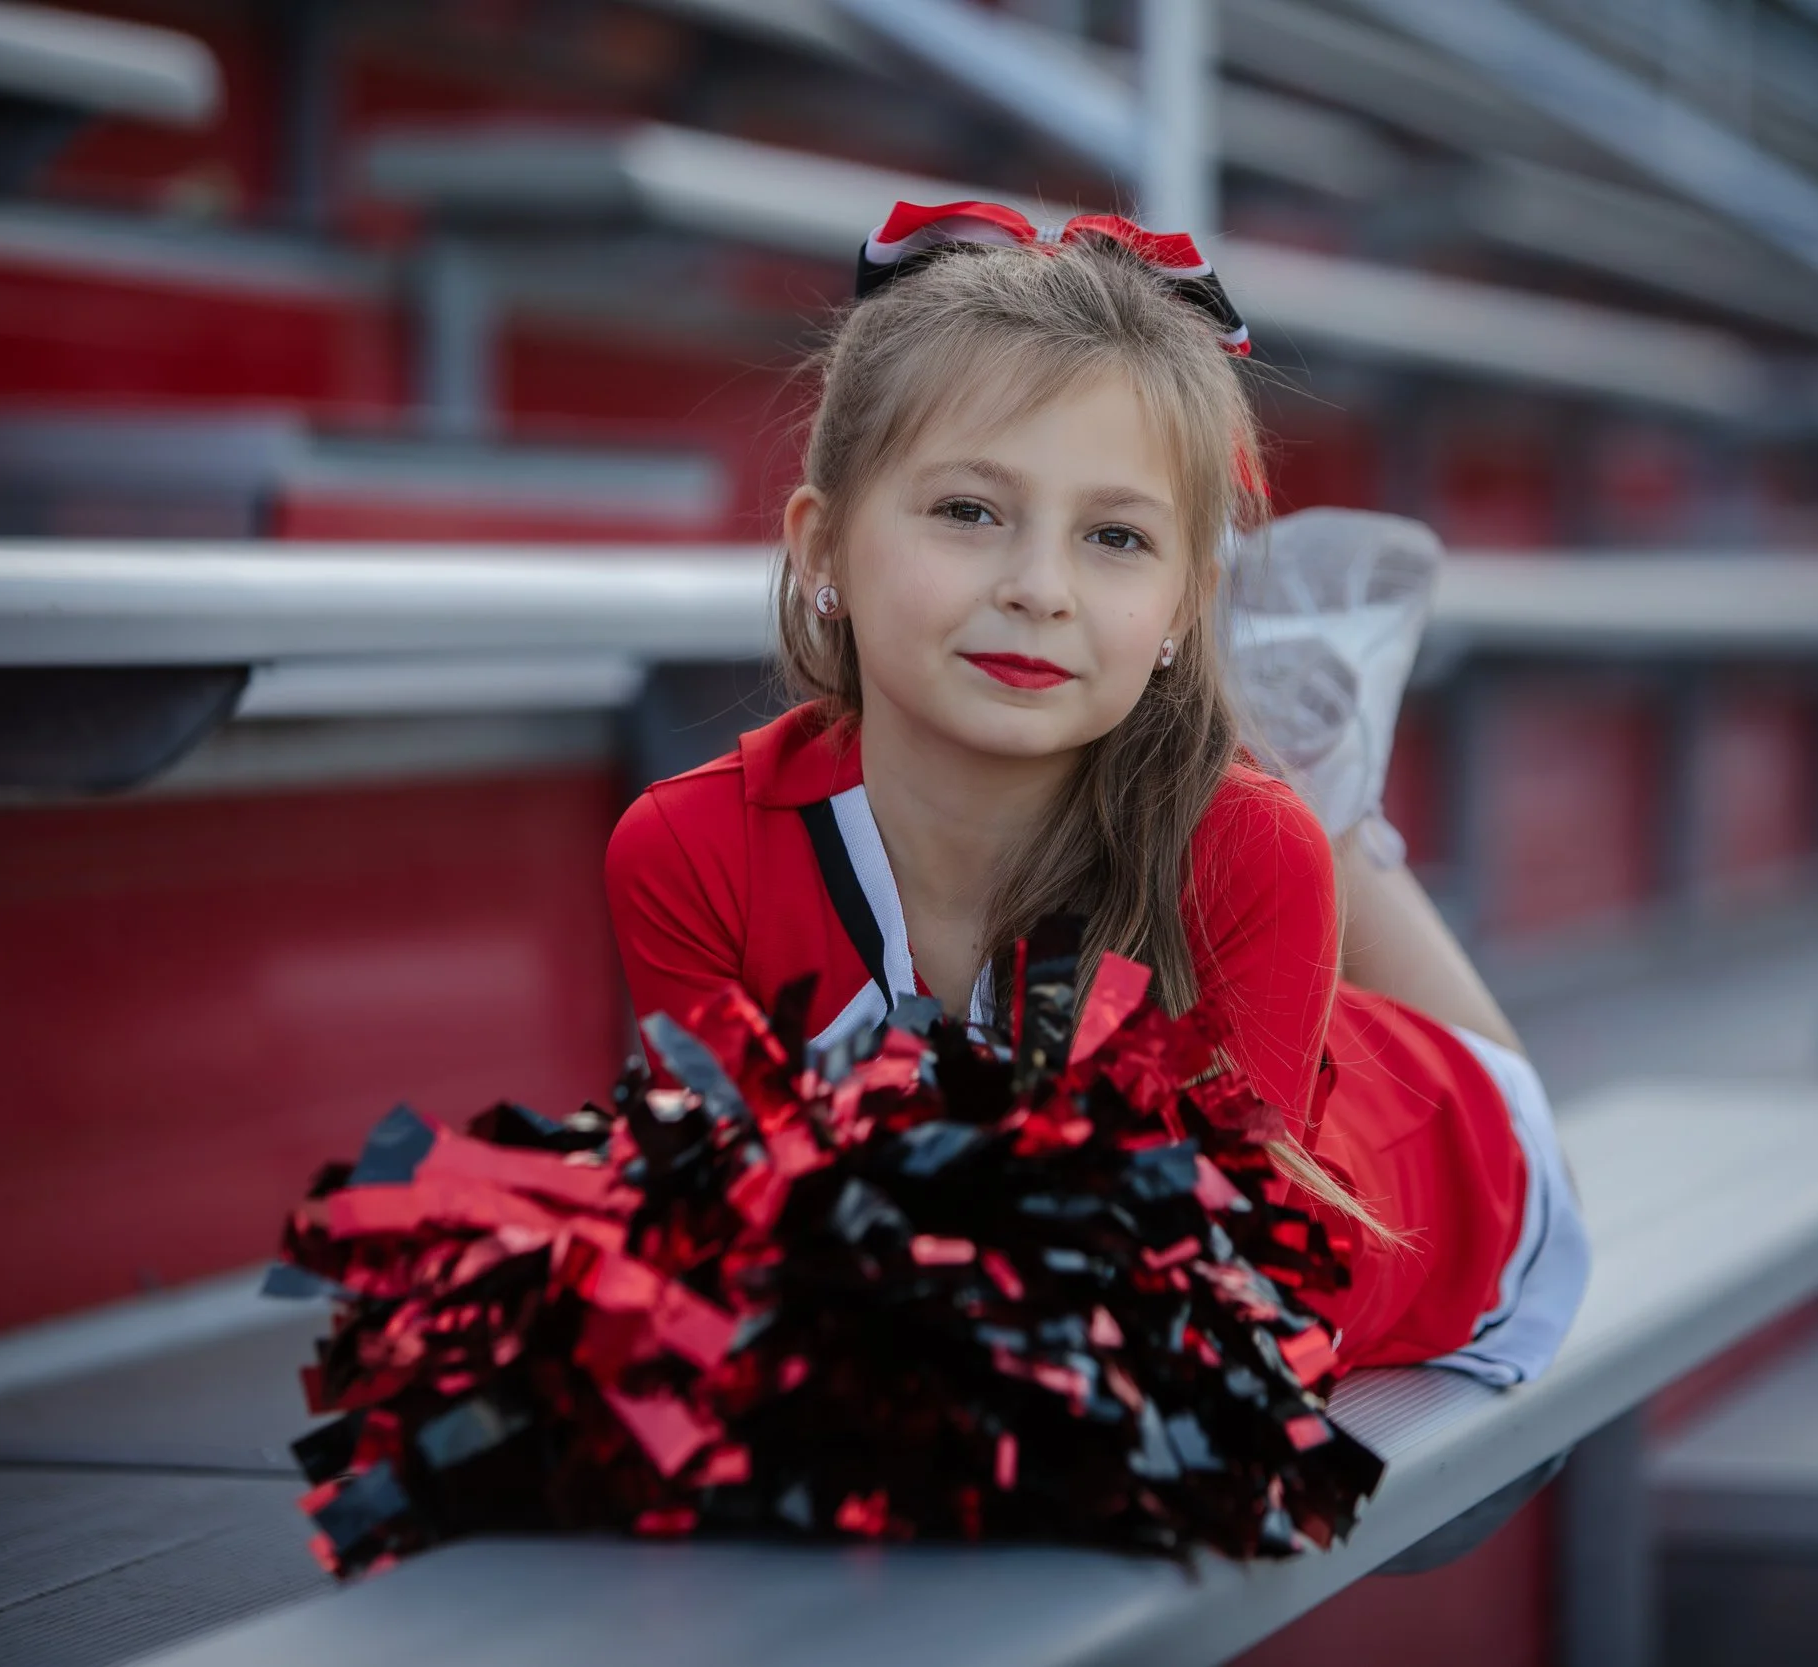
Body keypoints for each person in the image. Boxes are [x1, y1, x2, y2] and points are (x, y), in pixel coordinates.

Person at [605, 202, 1585, 1383]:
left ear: (1182, 608)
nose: (1038, 587)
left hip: (1429, 1179)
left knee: (1336, 901)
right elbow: (721, 1234)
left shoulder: (1247, 857)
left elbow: (1216, 1302)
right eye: (969, 512)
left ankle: (1333, 803)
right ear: (821, 550)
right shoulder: (686, 849)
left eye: (1115, 538)